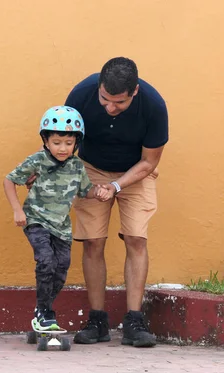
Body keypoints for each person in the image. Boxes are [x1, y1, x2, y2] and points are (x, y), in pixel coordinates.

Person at [66, 57, 169, 347]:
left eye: (119, 103)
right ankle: (97, 320)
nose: (110, 107)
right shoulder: (81, 94)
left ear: (134, 91)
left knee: (136, 238)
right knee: (93, 240)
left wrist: (115, 186)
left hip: (136, 171)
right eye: (105, 99)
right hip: (91, 167)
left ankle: (134, 320)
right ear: (98, 87)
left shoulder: (153, 105)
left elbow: (149, 162)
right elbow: (63, 139)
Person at [3, 105, 111, 331]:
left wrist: (98, 192)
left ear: (76, 143)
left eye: (68, 143)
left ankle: (41, 310)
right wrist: (17, 210)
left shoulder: (76, 166)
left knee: (61, 269)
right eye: (56, 143)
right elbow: (9, 180)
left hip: (61, 226)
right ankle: (45, 313)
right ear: (46, 141)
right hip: (36, 220)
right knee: (45, 261)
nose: (62, 148)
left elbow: (85, 190)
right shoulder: (37, 161)